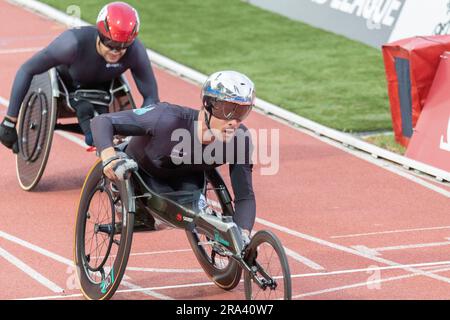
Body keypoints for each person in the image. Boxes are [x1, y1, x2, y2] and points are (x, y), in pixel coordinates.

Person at [91, 70, 256, 239]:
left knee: (196, 216)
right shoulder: (167, 118)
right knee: (160, 206)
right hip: (143, 173)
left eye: (242, 112)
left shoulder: (239, 140)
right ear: (208, 104)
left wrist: (242, 234)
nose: (234, 121)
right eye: (228, 110)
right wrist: (109, 157)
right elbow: (102, 121)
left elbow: (245, 195)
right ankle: (118, 187)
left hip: (187, 181)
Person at [0, 1, 159, 150]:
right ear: (100, 34)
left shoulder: (136, 51)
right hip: (67, 87)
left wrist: (144, 128)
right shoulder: (71, 44)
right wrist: (9, 121)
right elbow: (27, 69)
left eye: (124, 46)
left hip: (103, 92)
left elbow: (151, 96)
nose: (116, 51)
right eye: (111, 44)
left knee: (109, 125)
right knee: (85, 110)